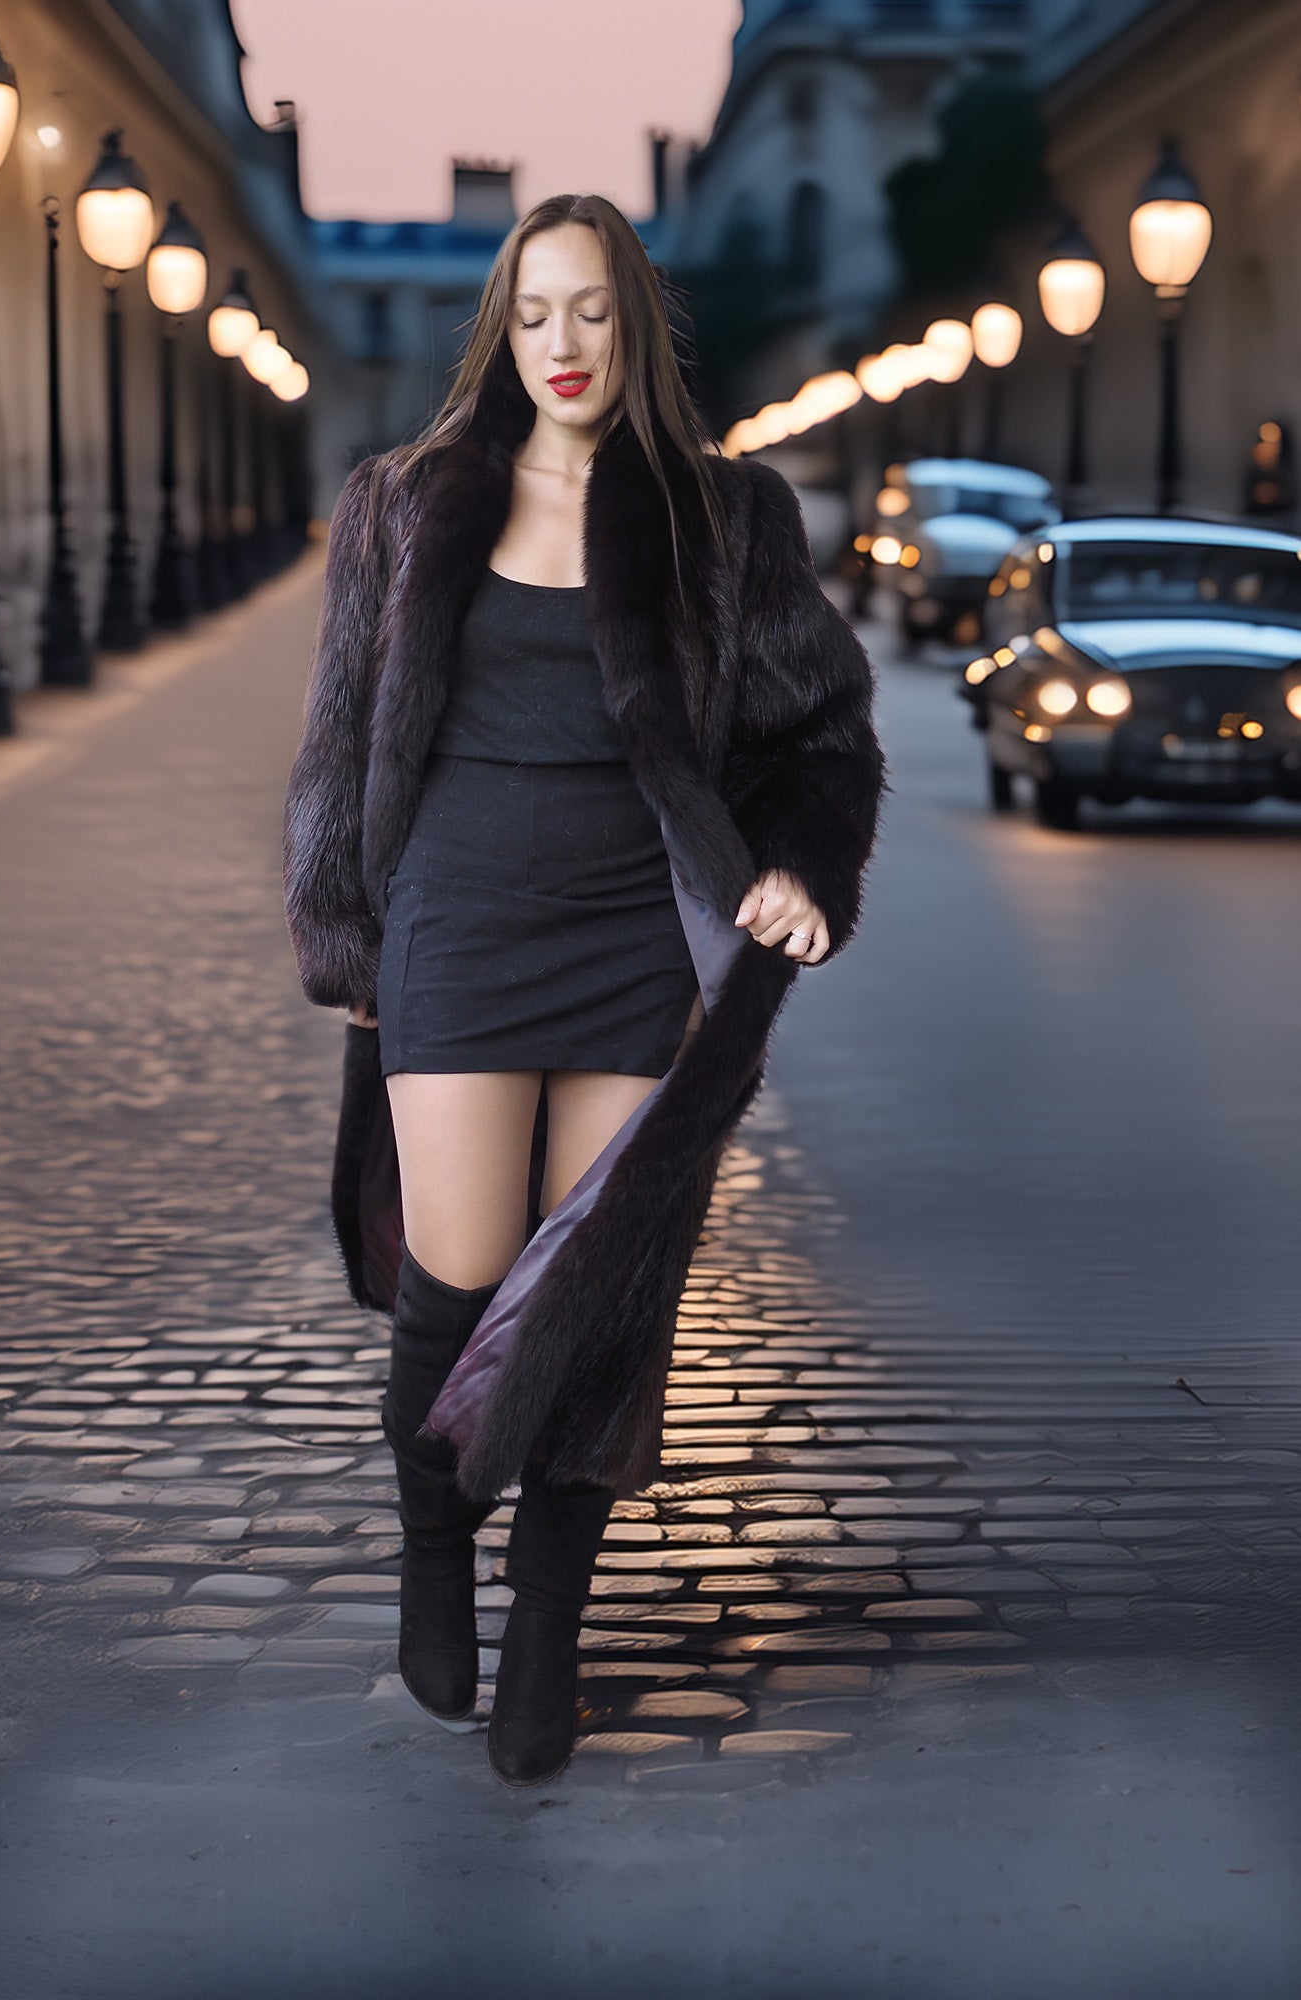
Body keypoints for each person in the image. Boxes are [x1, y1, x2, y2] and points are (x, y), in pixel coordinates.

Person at [282, 192, 888, 1789]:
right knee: (459, 1275)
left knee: (595, 1301)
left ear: (636, 330)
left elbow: (825, 731)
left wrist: (797, 866)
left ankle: (547, 1631)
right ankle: (434, 1554)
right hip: (458, 922)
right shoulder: (404, 504)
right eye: (536, 313)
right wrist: (344, 936)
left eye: (594, 313)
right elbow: (342, 745)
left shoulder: (725, 520)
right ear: (503, 329)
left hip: (635, 929)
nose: (565, 345)